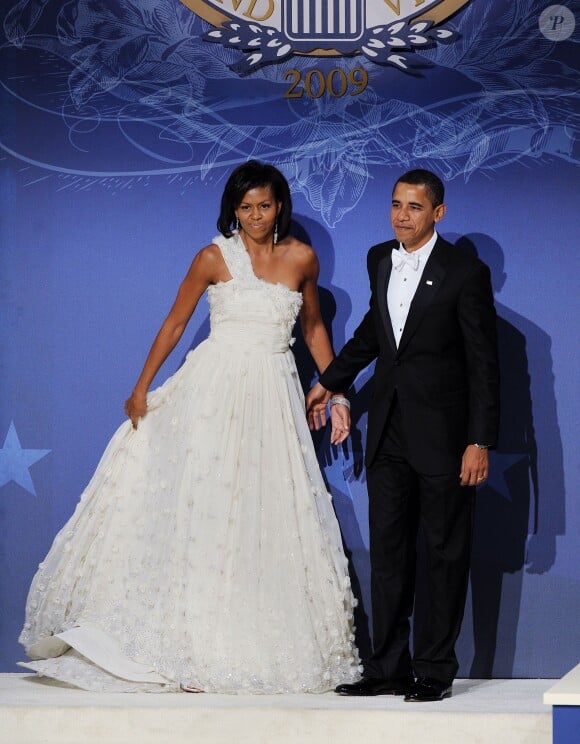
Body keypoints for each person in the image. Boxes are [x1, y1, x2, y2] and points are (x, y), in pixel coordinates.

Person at [18, 160, 360, 693]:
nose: (254, 216)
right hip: (214, 394)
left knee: (264, 511)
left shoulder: (301, 258)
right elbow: (175, 322)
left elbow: (313, 327)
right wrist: (140, 387)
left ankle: (246, 639)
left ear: (279, 207)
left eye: (263, 206)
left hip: (273, 396)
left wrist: (337, 390)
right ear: (233, 209)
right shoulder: (212, 257)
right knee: (210, 507)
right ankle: (192, 638)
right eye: (244, 207)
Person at [306, 169, 499, 702]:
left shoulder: (465, 273)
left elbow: (485, 363)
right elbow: (374, 330)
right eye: (395, 204)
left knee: (442, 554)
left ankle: (433, 670)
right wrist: (330, 381)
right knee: (389, 555)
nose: (400, 215)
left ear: (438, 213)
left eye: (414, 207)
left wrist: (479, 440)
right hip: (388, 431)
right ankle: (387, 667)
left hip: (444, 438)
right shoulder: (378, 259)